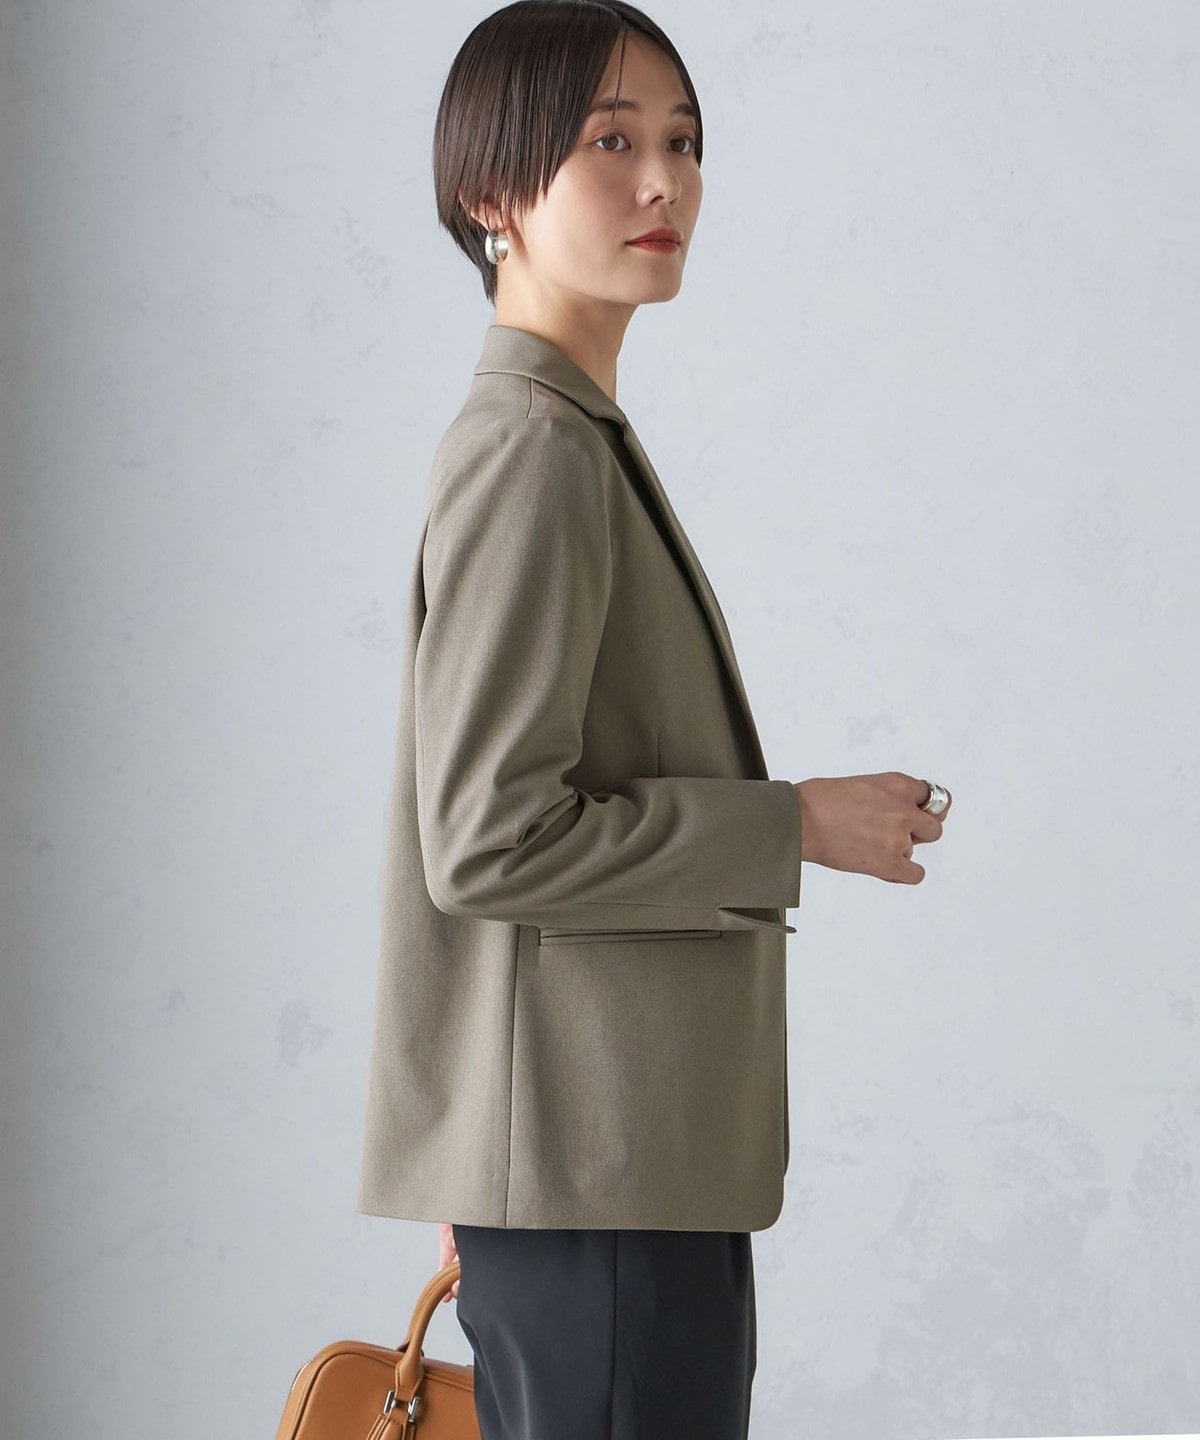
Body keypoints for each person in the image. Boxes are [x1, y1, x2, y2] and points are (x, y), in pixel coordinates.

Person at [357, 3, 953, 1436]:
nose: (663, 180)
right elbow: (489, 839)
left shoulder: (568, 437)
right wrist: (791, 824)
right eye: (610, 142)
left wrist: (492, 1157)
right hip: (598, 1189)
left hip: (600, 1173)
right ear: (490, 195)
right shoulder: (534, 452)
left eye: (683, 142)